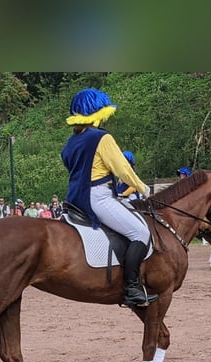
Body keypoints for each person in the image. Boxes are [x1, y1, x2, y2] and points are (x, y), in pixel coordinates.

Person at [61, 87, 155, 308]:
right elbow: (122, 169)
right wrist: (143, 188)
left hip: (75, 198)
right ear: (98, 113)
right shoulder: (102, 138)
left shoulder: (71, 141)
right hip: (97, 196)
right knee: (140, 232)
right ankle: (132, 288)